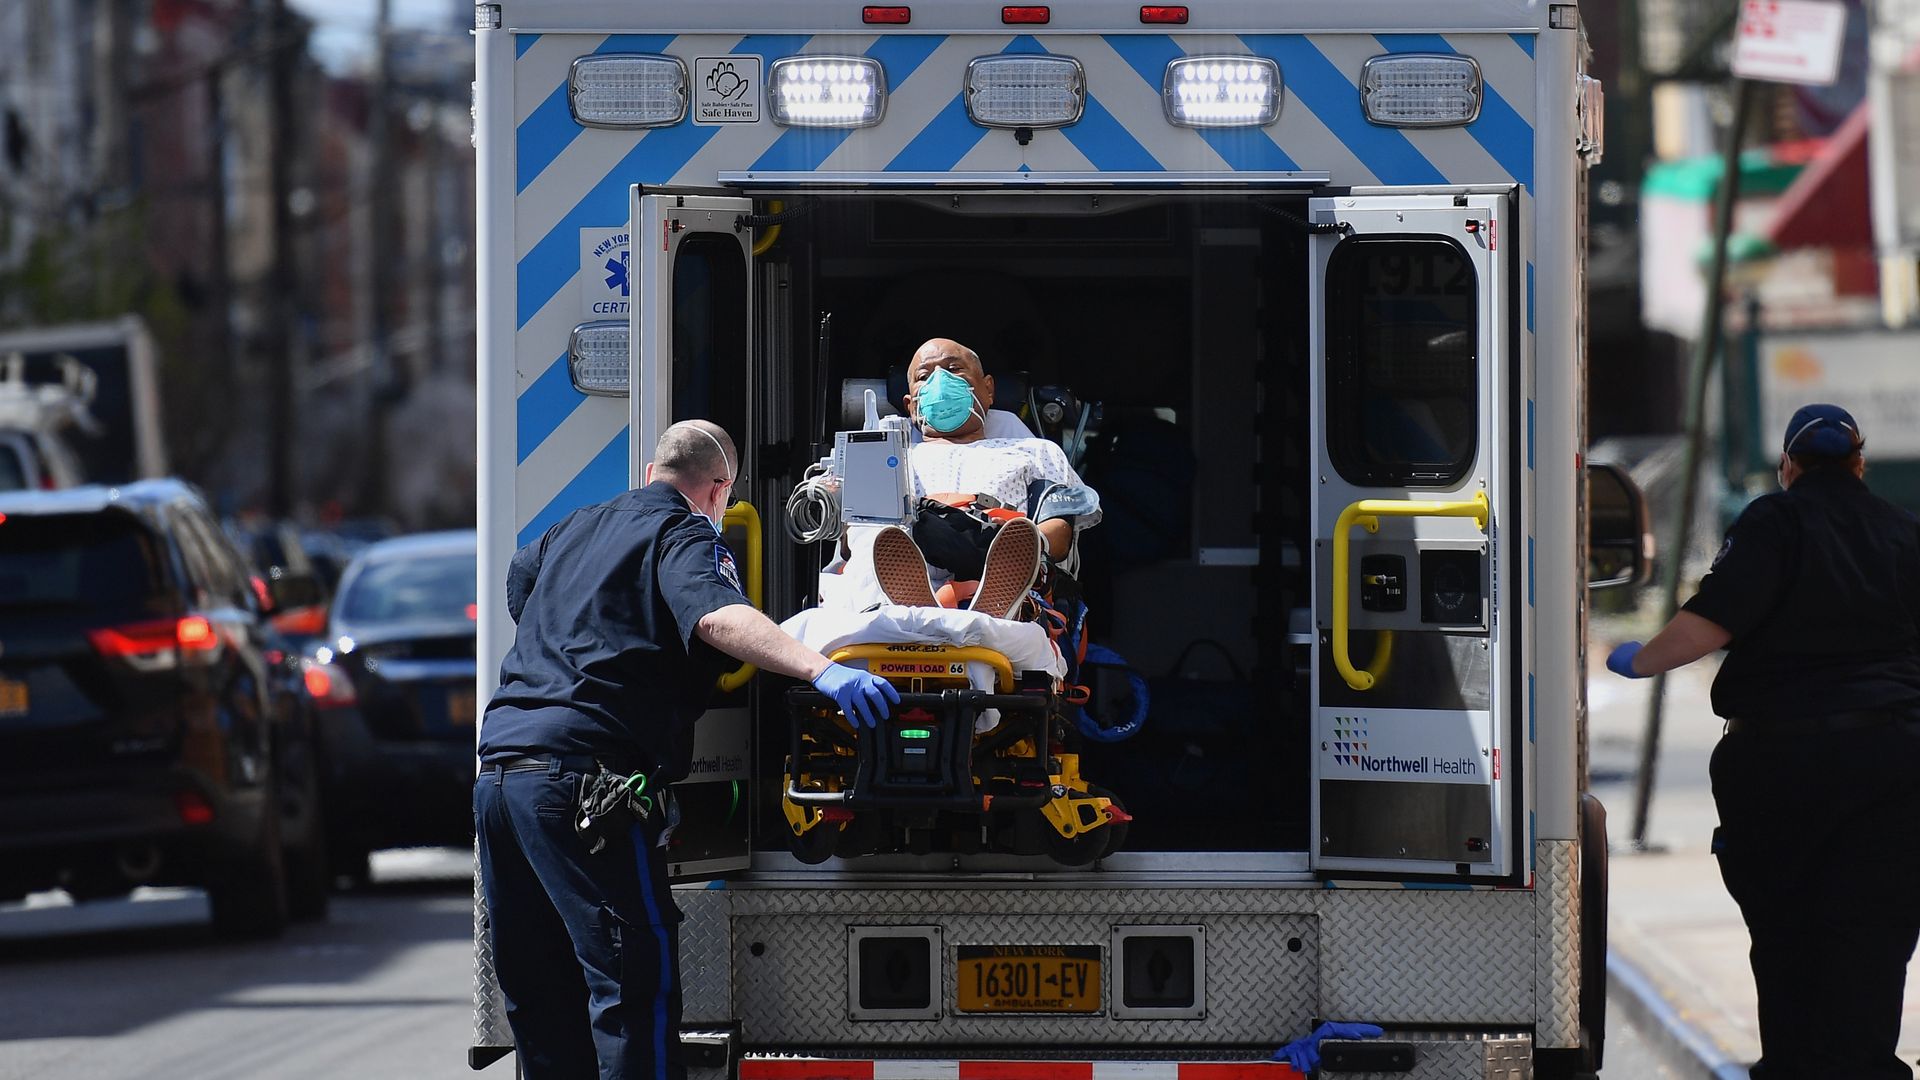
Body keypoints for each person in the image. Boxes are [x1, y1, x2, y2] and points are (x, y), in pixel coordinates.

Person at [475, 420, 900, 1080]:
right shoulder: (685, 533)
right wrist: (821, 669)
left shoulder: (574, 526)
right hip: (585, 786)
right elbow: (715, 616)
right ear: (719, 489)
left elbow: (519, 584)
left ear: (652, 472)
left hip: (502, 778)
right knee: (631, 982)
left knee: (540, 991)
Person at [1607, 403, 1920, 1080]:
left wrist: (1640, 660)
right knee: (1875, 932)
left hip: (1781, 765)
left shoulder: (1774, 521)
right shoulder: (1903, 530)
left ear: (1788, 467)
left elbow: (1711, 623)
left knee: (1787, 931)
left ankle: (1796, 1066)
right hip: (1892, 761)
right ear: (1859, 465)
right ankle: (1866, 1065)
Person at [850, 337, 1098, 618]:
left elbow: (1060, 529)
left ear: (988, 388)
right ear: (910, 405)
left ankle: (995, 597)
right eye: (924, 376)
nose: (940, 381)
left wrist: (1024, 546)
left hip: (997, 561)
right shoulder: (887, 455)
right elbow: (851, 540)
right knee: (873, 532)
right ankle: (912, 601)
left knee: (1010, 555)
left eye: (953, 369)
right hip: (906, 569)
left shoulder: (1034, 452)